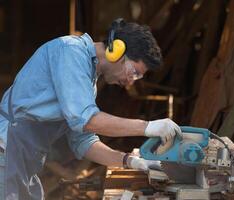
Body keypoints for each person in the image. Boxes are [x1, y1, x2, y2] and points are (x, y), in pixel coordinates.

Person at [0, 18, 182, 199]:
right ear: (116, 50)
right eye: (134, 72)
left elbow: (84, 141)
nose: (130, 81)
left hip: (23, 161)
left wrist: (129, 161)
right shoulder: (70, 51)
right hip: (6, 150)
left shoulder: (89, 80)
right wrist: (147, 127)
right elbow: (87, 119)